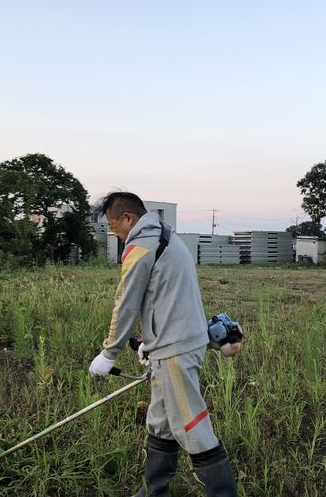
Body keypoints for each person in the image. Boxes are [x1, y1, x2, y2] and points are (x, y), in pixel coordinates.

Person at [88, 192, 240, 497]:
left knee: (194, 428)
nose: (114, 232)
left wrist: (110, 352)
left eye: (113, 224)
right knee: (159, 424)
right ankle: (153, 491)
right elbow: (168, 297)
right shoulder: (167, 237)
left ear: (128, 219)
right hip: (172, 345)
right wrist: (151, 343)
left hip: (175, 351)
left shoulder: (141, 246)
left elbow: (126, 303)